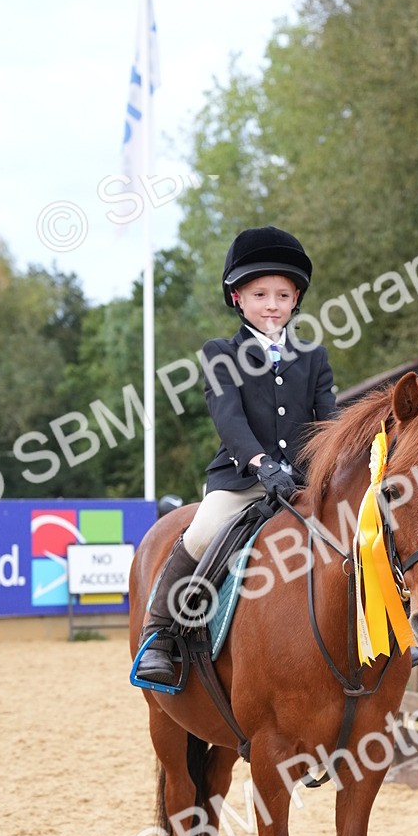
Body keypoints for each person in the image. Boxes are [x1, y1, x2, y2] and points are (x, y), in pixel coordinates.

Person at [135, 226, 338, 685]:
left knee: (356, 528)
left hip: (304, 481)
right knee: (203, 532)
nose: (272, 305)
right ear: (238, 299)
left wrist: (335, 463)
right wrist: (262, 465)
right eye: (260, 295)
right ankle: (160, 635)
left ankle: (386, 626)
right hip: (242, 479)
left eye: (282, 295)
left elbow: (328, 421)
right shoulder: (220, 354)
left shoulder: (314, 357)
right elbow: (229, 420)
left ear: (296, 300)